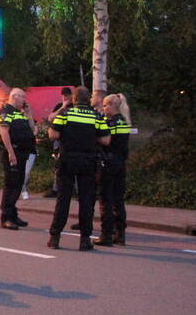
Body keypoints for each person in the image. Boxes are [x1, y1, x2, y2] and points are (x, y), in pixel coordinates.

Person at [47, 86, 110, 251]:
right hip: (88, 161)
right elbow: (106, 140)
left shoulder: (65, 114)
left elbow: (53, 135)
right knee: (86, 201)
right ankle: (84, 240)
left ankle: (55, 237)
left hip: (67, 159)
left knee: (63, 199)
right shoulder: (96, 116)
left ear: (73, 99)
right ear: (88, 99)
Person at [0, 88, 36, 230]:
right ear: (14, 97)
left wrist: (29, 113)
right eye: (22, 97)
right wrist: (11, 153)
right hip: (13, 153)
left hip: (23, 154)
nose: (24, 100)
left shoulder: (19, 113)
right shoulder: (6, 111)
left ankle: (13, 214)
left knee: (18, 185)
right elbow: (4, 132)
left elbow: (32, 129)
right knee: (11, 186)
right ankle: (6, 217)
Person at [95, 94, 132, 246]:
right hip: (121, 164)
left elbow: (104, 140)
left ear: (112, 106)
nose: (103, 108)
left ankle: (106, 235)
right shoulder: (124, 121)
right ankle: (120, 234)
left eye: (105, 105)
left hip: (108, 164)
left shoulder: (109, 123)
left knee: (106, 200)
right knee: (119, 200)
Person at [43, 86, 74, 198]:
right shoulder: (59, 106)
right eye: (63, 95)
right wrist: (62, 107)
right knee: (58, 163)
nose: (65, 97)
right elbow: (51, 118)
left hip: (72, 139)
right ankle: (56, 189)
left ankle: (73, 189)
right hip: (59, 139)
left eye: (67, 94)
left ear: (72, 95)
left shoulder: (75, 106)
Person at [20, 99, 38, 200]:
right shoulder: (18, 120)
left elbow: (34, 131)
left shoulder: (32, 121)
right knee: (19, 171)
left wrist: (29, 113)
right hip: (20, 149)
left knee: (26, 172)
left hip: (30, 150)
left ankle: (23, 188)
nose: (25, 110)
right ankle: (22, 190)